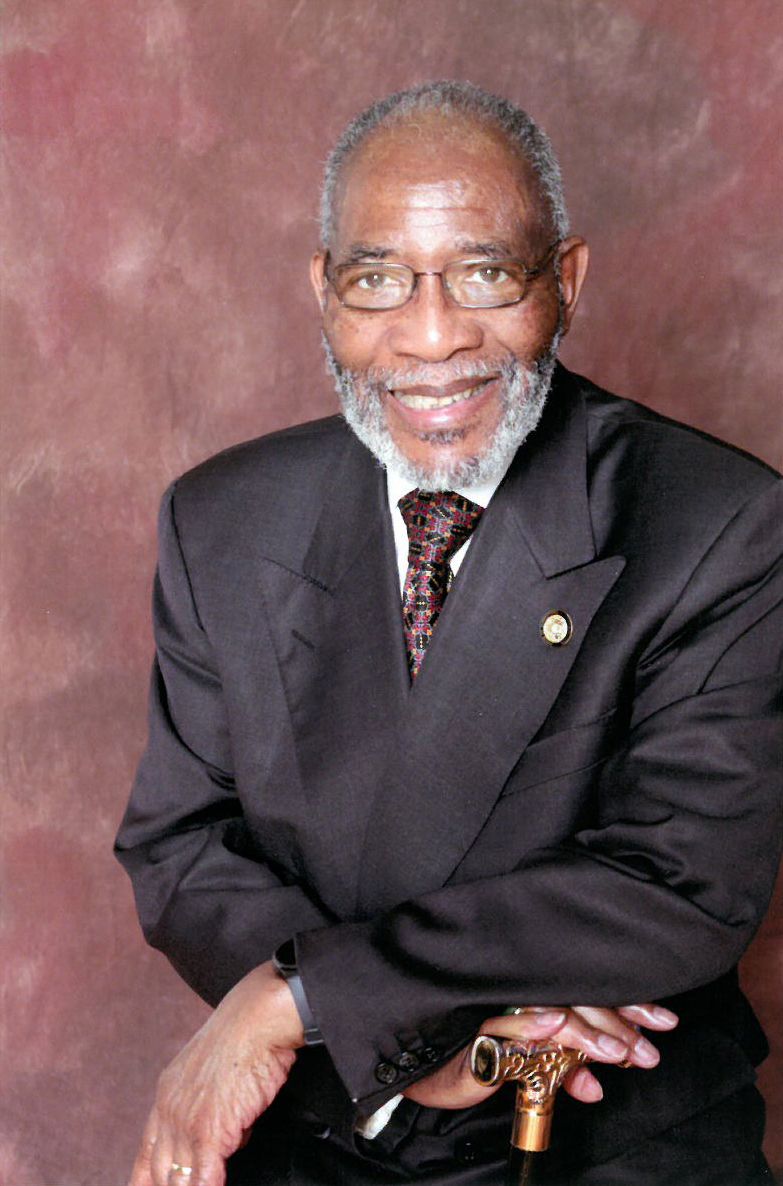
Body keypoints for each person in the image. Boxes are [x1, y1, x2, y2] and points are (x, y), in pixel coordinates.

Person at [115, 81, 783, 1186]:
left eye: (484, 273)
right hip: (322, 1116)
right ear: (325, 292)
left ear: (563, 282)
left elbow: (678, 883)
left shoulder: (718, 522)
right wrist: (397, 1052)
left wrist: (300, 997)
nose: (432, 339)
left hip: (607, 1134)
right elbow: (180, 847)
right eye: (380, 279)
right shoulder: (219, 518)